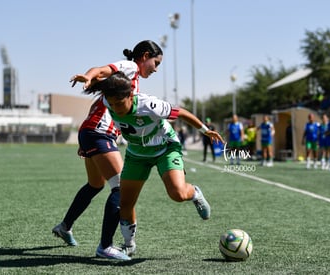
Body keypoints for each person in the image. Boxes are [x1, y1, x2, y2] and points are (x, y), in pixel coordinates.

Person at [85, 71, 224, 259]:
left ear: (130, 95)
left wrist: (205, 131)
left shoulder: (149, 105)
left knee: (177, 193)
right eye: (113, 103)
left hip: (165, 148)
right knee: (125, 203)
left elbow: (181, 112)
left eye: (120, 103)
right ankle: (129, 245)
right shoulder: (107, 101)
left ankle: (195, 193)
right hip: (136, 153)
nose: (116, 108)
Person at [52, 40, 163, 261]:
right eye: (155, 62)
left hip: (91, 132)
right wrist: (88, 75)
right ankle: (105, 246)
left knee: (95, 184)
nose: (156, 68)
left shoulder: (131, 80)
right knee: (121, 187)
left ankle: (64, 227)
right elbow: (101, 70)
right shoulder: (130, 68)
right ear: (145, 55)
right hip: (99, 133)